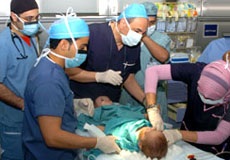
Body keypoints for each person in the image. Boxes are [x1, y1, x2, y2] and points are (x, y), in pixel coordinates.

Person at [22, 11, 120, 160]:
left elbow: (48, 104)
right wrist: (96, 142)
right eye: (83, 46)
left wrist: (73, 105)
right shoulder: (48, 80)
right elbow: (53, 137)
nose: (85, 52)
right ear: (63, 45)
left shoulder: (51, 65)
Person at [144, 58, 230, 158]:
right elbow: (153, 71)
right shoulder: (197, 70)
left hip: (216, 149)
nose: (205, 99)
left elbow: (219, 136)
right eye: (201, 94)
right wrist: (152, 108)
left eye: (211, 99)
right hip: (187, 140)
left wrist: (178, 134)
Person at [67, 3, 148, 107]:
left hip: (110, 104)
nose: (139, 36)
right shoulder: (91, 35)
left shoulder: (133, 45)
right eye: (137, 31)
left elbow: (128, 78)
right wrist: (98, 76)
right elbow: (69, 71)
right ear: (123, 23)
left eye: (143, 33)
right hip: (83, 102)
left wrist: (146, 101)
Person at [0, 0, 40, 159]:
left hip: (32, 117)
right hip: (13, 121)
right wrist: (22, 104)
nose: (35, 22)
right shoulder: (3, 44)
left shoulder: (31, 39)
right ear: (13, 17)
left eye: (37, 17)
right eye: (29, 19)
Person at [119, 1, 171, 123]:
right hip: (129, 93)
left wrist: (144, 36)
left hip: (154, 94)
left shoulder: (162, 39)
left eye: (152, 23)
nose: (149, 26)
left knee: (155, 134)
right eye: (146, 23)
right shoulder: (128, 37)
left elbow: (163, 57)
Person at [77, 96, 168, 159]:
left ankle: (97, 107)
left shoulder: (128, 140)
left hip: (116, 120)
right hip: (131, 114)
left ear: (140, 145)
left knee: (101, 105)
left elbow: (114, 135)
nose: (150, 128)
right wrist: (147, 116)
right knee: (106, 103)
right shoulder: (148, 128)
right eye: (154, 129)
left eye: (147, 132)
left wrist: (100, 130)